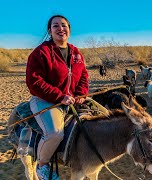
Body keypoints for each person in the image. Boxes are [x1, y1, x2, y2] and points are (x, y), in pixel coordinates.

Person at [26, 15, 89, 180]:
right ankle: (42, 166)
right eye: (56, 26)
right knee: (55, 133)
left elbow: (83, 75)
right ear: (50, 31)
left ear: (69, 29)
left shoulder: (76, 52)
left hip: (72, 99)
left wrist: (81, 94)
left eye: (64, 25)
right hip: (45, 99)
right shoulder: (41, 52)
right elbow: (34, 81)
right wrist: (59, 96)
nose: (61, 29)